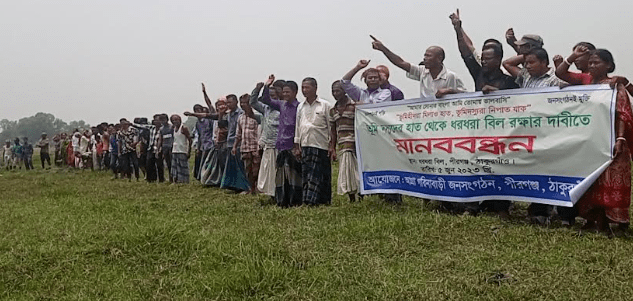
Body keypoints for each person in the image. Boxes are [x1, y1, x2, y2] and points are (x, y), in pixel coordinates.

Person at [570, 49, 633, 235]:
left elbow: (622, 113)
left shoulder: (614, 86)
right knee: (592, 182)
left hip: (613, 140)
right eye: (589, 63)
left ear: (608, 65)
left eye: (596, 62)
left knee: (612, 182)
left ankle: (615, 222)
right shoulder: (586, 87)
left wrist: (620, 138)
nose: (591, 66)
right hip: (592, 141)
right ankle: (594, 219)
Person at [370, 35, 466, 98]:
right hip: (426, 116)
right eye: (425, 55)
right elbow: (401, 63)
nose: (424, 58)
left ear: (439, 58)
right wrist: (383, 49)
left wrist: (449, 91)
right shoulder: (422, 71)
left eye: (428, 56)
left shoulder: (451, 76)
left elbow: (467, 96)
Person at [449, 9, 519, 93]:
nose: (483, 61)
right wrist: (458, 30)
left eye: (487, 59)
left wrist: (496, 93)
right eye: (482, 59)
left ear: (498, 60)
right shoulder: (478, 73)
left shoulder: (510, 80)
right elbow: (466, 53)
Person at [259, 75, 302, 207]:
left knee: (294, 175)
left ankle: (295, 201)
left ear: (295, 92)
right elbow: (265, 99)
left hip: (293, 145)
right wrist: (267, 85)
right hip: (281, 145)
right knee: (281, 175)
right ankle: (282, 200)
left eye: (287, 92)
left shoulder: (299, 107)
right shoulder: (281, 105)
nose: (285, 94)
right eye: (283, 92)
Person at [293, 77, 332, 206]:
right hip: (305, 144)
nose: (304, 90)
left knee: (320, 175)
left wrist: (332, 146)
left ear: (315, 88)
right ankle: (308, 200)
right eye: (303, 88)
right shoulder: (301, 107)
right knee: (307, 174)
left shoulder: (325, 105)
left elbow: (331, 127)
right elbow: (298, 127)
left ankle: (321, 200)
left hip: (320, 144)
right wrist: (297, 145)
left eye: (307, 87)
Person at [251, 80, 282, 201]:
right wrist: (259, 88)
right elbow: (252, 102)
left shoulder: (281, 107)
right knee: (267, 171)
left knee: (276, 171)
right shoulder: (266, 109)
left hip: (278, 145)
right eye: (269, 96)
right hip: (267, 145)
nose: (271, 99)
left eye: (273, 96)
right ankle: (270, 194)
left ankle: (277, 194)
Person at [329, 81, 360, 202]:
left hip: (355, 142)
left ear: (344, 91)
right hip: (342, 144)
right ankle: (352, 196)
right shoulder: (333, 110)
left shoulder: (354, 106)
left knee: (355, 170)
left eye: (338, 91)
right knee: (347, 171)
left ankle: (360, 194)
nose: (335, 93)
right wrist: (332, 147)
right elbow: (333, 130)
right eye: (333, 91)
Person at [233, 94, 262, 194]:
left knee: (256, 170)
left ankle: (257, 187)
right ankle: (251, 189)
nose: (243, 105)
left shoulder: (257, 117)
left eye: (246, 102)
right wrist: (234, 146)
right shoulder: (240, 117)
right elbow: (238, 134)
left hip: (255, 147)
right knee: (248, 170)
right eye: (242, 103)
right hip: (245, 147)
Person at [220, 94, 249, 192]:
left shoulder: (241, 113)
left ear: (236, 102)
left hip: (239, 143)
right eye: (227, 102)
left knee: (240, 166)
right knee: (231, 166)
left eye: (230, 102)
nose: (228, 104)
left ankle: (243, 187)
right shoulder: (228, 115)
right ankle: (233, 186)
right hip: (229, 143)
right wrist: (221, 114)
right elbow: (222, 126)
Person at [132, 115, 163, 182]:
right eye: (155, 120)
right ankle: (151, 179)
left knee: (159, 164)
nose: (156, 121)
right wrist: (133, 124)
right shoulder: (152, 128)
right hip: (151, 147)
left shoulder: (162, 129)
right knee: (149, 163)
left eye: (158, 120)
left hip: (159, 148)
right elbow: (142, 126)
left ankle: (161, 179)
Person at [170, 114, 192, 184]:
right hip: (175, 150)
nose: (175, 121)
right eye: (173, 120)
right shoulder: (173, 128)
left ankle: (184, 181)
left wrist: (189, 151)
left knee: (183, 166)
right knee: (175, 166)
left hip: (182, 150)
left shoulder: (183, 128)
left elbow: (190, 139)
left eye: (176, 120)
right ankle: (175, 180)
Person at [158, 114, 174, 182]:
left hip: (171, 147)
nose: (162, 121)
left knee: (172, 163)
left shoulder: (171, 127)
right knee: (167, 163)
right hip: (165, 147)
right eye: (161, 120)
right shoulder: (161, 129)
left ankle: (174, 177)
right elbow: (160, 139)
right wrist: (159, 148)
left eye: (163, 119)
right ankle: (170, 177)